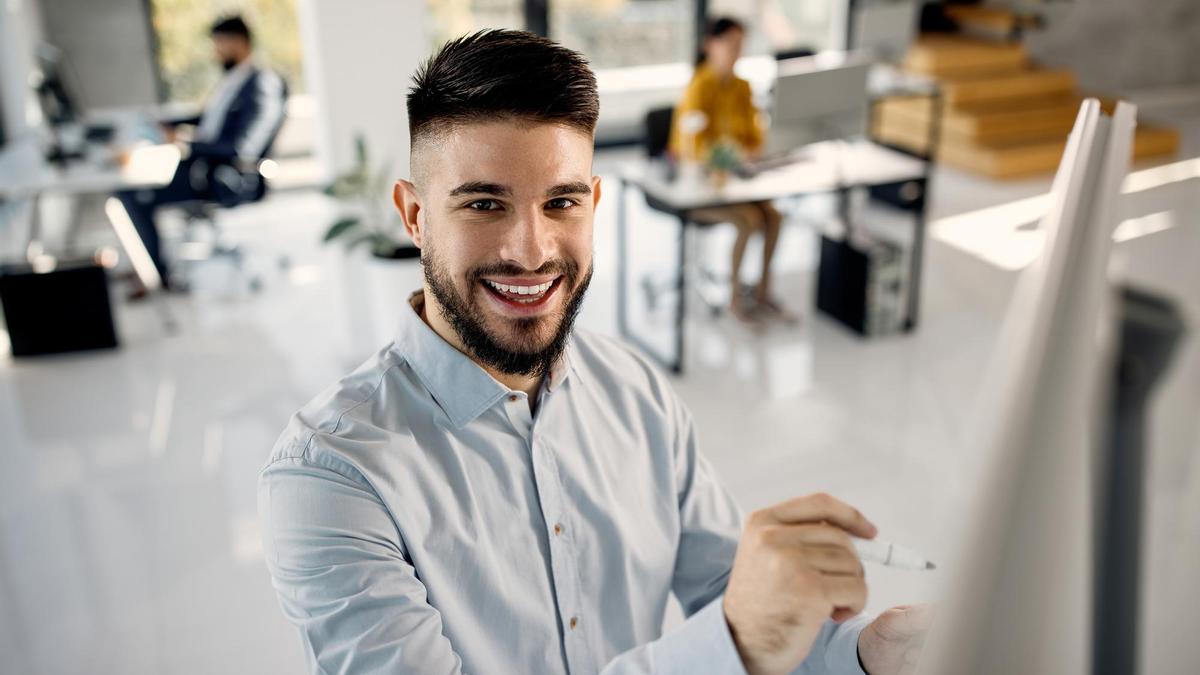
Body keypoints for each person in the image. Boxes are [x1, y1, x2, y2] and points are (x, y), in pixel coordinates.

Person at [258, 30, 928, 675]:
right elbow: (739, 636)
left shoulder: (635, 387)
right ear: (414, 216)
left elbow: (736, 596)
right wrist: (734, 643)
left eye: (562, 202)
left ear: (594, 204)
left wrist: (865, 653)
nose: (531, 249)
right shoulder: (331, 476)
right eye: (485, 203)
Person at [115, 15, 286, 297]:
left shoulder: (261, 85)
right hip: (206, 166)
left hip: (229, 176)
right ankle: (148, 265)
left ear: (239, 43)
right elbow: (210, 120)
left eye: (219, 44)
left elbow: (242, 147)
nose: (214, 51)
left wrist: (185, 143)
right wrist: (169, 125)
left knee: (133, 193)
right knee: (133, 182)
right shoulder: (235, 79)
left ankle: (155, 273)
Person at [669, 17, 795, 326]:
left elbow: (755, 138)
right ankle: (735, 299)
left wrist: (740, 153)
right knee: (750, 220)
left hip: (737, 180)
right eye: (730, 44)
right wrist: (731, 154)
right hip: (702, 187)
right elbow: (693, 150)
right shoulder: (699, 86)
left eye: (741, 45)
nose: (737, 51)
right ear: (710, 45)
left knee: (775, 217)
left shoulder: (742, 86)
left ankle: (763, 292)